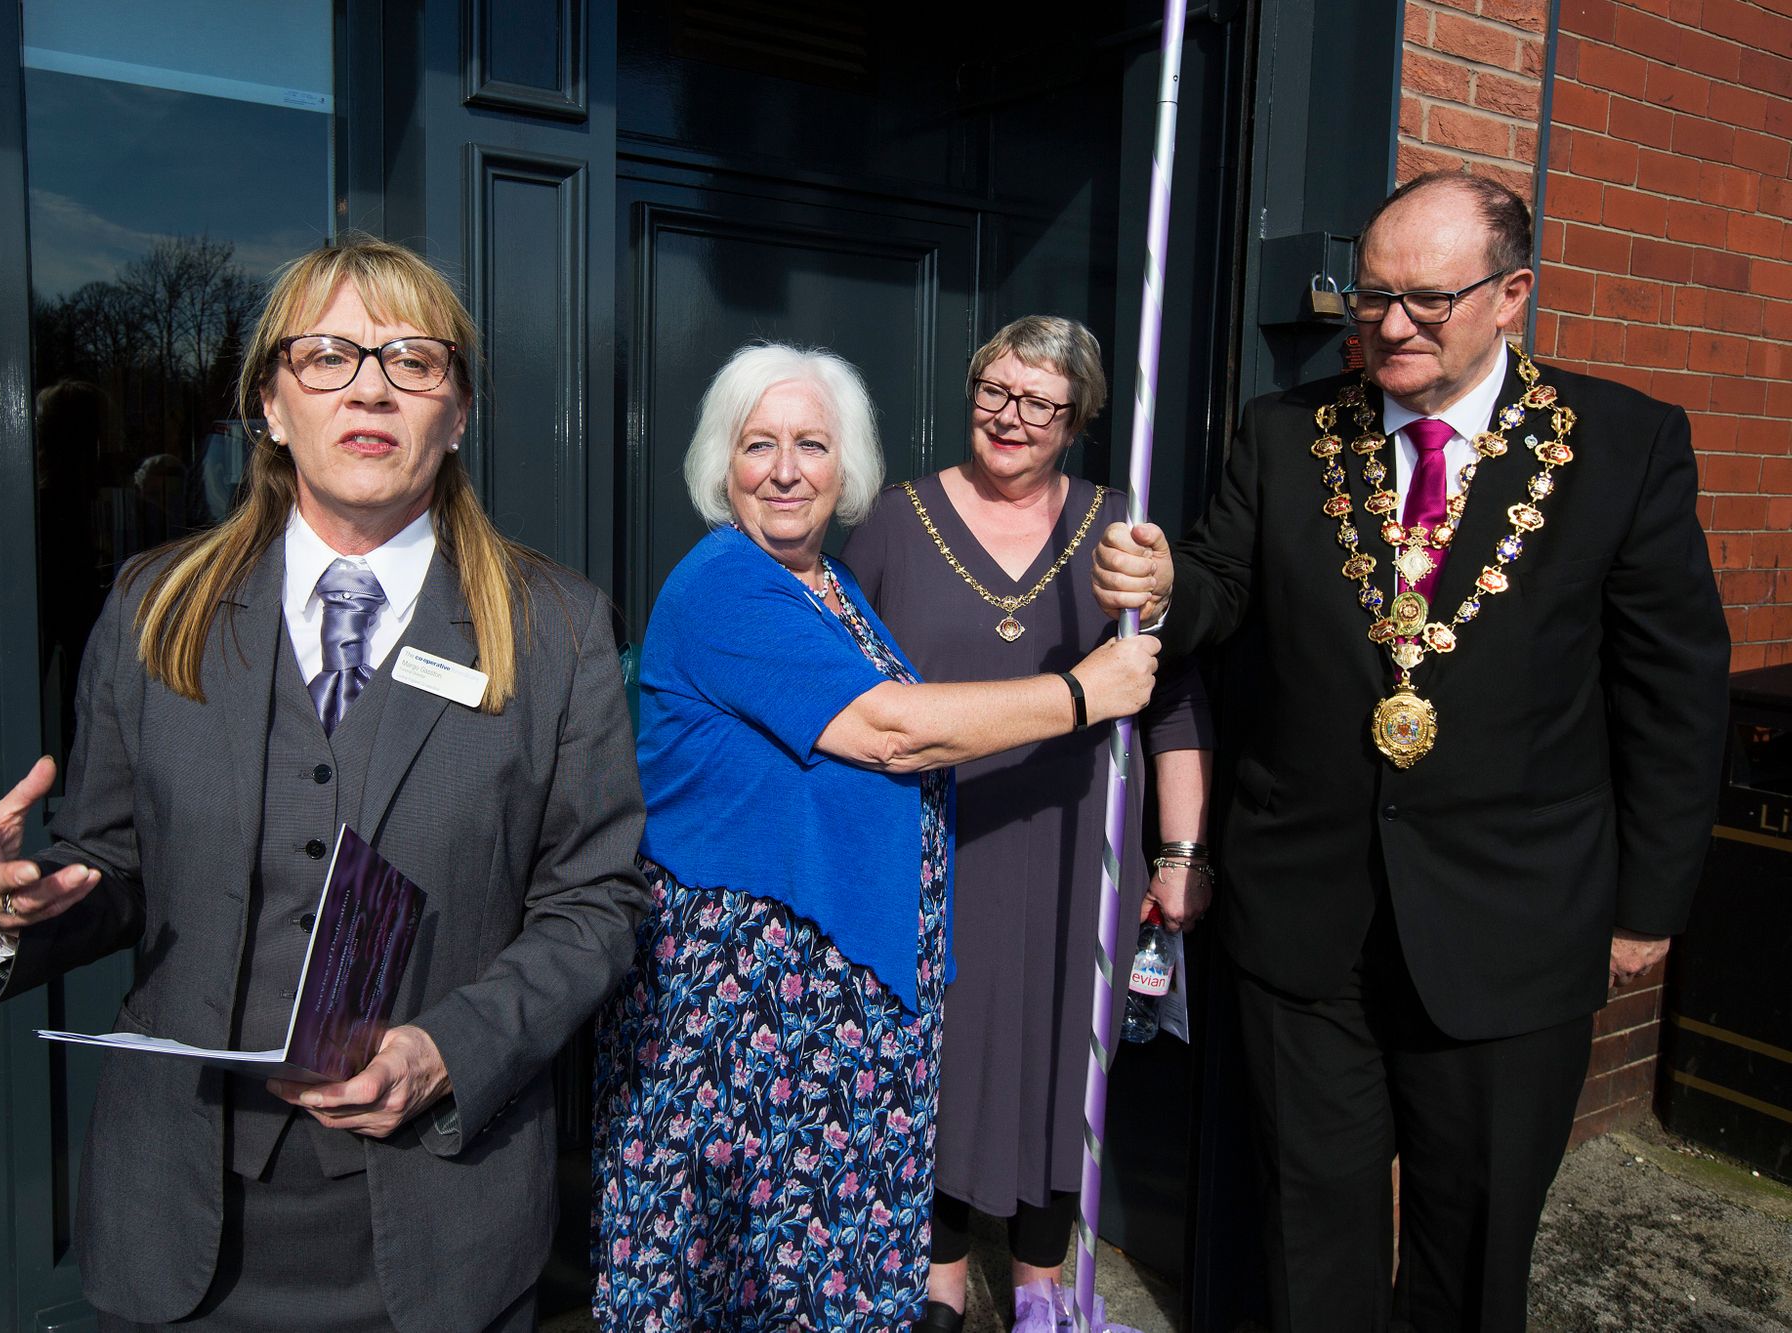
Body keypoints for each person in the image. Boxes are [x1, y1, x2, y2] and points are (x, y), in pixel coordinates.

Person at [0, 236, 648, 1332]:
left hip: (440, 1222)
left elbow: (596, 904)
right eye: (327, 356)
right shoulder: (154, 607)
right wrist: (5, 911)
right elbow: (110, 864)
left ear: (457, 413)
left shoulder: (556, 627)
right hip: (180, 1215)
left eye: (413, 360)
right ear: (271, 404)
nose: (370, 386)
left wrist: (449, 1050)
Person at [1093, 172, 1729, 1331]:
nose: (1389, 325)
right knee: (1304, 1236)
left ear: (1510, 295)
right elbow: (1220, 591)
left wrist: (1647, 904)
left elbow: (1670, 694)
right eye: (1371, 296)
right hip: (1304, 913)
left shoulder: (1621, 444)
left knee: (1472, 1240)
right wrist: (1168, 585)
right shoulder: (1282, 431)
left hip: (1513, 919)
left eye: (1426, 300)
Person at [590, 342, 1164, 1329]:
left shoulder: (829, 584)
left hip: (830, 1018)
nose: (785, 470)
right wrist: (1082, 693)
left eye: (811, 445)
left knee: (819, 1278)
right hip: (745, 1019)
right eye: (758, 445)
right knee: (726, 1277)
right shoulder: (726, 583)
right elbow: (890, 731)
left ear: (844, 465)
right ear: (720, 463)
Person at [840, 316, 1213, 1330]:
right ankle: (939, 1279)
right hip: (934, 845)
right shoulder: (893, 522)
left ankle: (1044, 1283)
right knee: (940, 1058)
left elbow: (1174, 701)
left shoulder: (1121, 529)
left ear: (1077, 421)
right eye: (994, 391)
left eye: (1041, 403)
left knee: (1065, 1054)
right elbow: (845, 691)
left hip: (1081, 849)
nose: (1010, 417)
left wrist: (1180, 852)